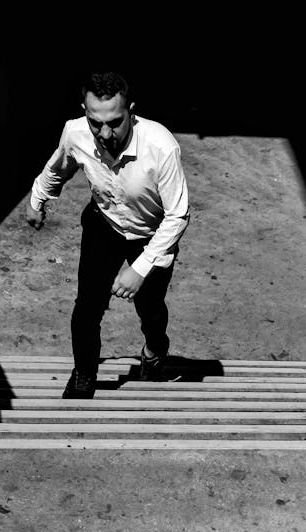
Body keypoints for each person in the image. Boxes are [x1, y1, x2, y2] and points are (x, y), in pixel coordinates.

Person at [26, 71, 190, 398]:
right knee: (86, 308)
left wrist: (140, 268)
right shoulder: (75, 132)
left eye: (115, 122)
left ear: (131, 110)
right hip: (104, 226)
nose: (104, 133)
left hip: (151, 235)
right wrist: (38, 198)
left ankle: (154, 352)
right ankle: (85, 372)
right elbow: (58, 166)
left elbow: (178, 215)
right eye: (95, 122)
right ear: (84, 112)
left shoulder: (161, 147)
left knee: (152, 309)